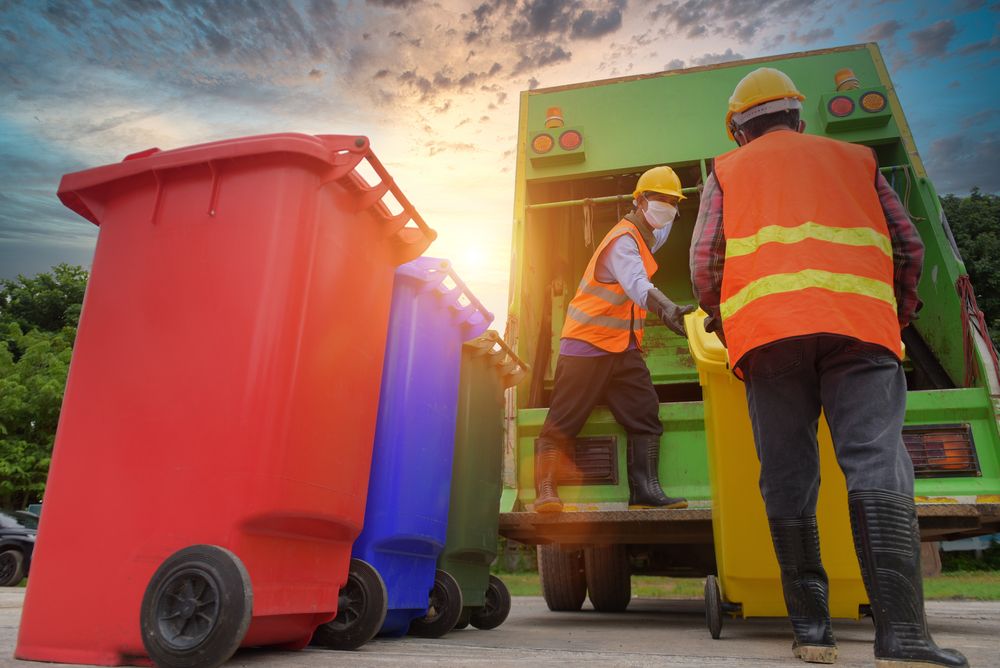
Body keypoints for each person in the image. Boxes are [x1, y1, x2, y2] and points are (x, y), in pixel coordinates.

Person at [689, 67, 967, 667]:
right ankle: (903, 638)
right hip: (860, 331)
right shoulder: (856, 160)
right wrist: (897, 311)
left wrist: (724, 317)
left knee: (787, 473)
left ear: (738, 129)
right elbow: (906, 243)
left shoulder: (726, 171)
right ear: (797, 116)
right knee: (875, 461)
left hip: (769, 339)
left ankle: (812, 633)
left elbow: (705, 261)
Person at [533, 166, 694, 514]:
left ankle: (645, 492)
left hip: (624, 348)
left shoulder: (651, 231)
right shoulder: (622, 241)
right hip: (586, 344)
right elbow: (638, 285)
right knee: (564, 420)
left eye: (672, 202)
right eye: (659, 200)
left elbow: (662, 231)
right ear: (639, 201)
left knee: (645, 415)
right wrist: (668, 310)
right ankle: (546, 492)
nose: (666, 207)